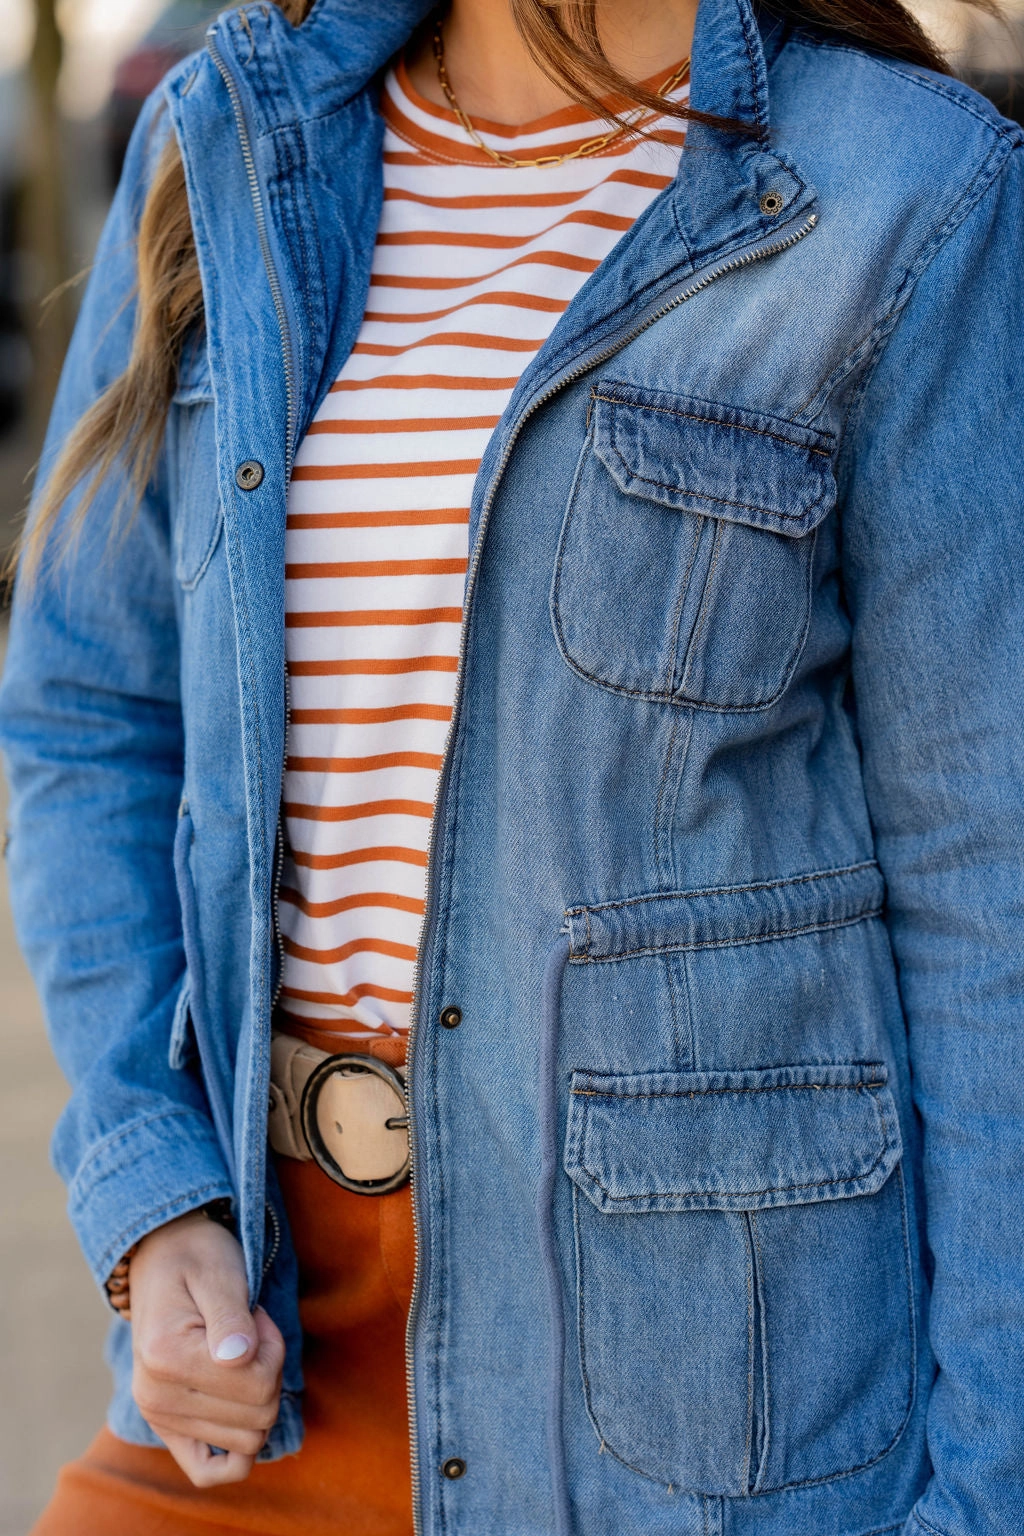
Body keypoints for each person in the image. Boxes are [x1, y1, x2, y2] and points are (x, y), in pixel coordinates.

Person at [2, 0, 1023, 1530]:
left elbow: (989, 890)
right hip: (259, 1357)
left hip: (684, 1409)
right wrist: (158, 1199)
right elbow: (91, 714)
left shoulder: (907, 191)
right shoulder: (227, 139)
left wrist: (989, 1491)